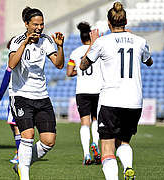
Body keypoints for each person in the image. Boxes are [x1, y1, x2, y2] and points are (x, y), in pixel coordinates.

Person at [80, 2, 153, 180]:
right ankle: (128, 167)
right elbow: (149, 62)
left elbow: (83, 65)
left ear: (108, 22)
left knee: (107, 149)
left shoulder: (102, 42)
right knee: (124, 142)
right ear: (126, 21)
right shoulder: (140, 41)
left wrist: (93, 43)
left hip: (111, 101)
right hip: (134, 101)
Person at [8, 6, 65, 180]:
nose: (39, 28)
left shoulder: (46, 40)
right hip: (21, 95)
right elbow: (11, 64)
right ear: (26, 24)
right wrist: (25, 43)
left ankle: (22, 164)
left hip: (42, 96)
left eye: (42, 24)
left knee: (49, 141)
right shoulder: (17, 41)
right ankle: (24, 175)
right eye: (35, 24)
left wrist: (60, 47)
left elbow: (59, 64)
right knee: (28, 135)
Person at [66, 22, 102, 165]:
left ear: (81, 38)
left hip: (82, 91)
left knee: (84, 122)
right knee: (96, 120)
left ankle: (86, 154)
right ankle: (95, 143)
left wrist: (79, 72)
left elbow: (69, 73)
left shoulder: (75, 53)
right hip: (98, 90)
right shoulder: (98, 49)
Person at [0, 37, 20, 164]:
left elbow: (6, 80)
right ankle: (20, 151)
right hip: (27, 96)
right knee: (15, 126)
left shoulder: (13, 61)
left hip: (17, 97)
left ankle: (20, 154)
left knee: (16, 127)